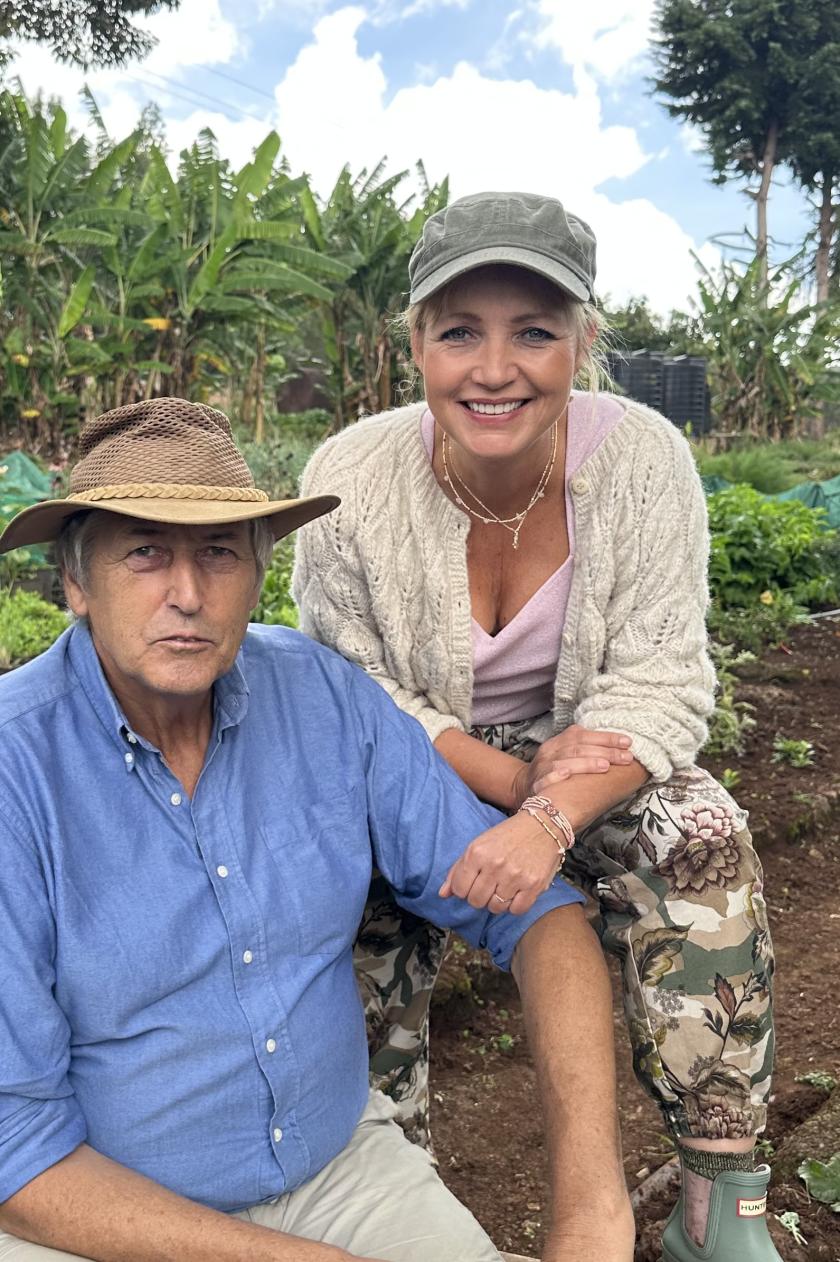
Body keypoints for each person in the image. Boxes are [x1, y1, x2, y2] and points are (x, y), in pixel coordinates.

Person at [0, 397, 633, 1262]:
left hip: (337, 1171)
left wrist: (590, 1214)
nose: (187, 594)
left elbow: (537, 916)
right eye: (144, 552)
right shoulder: (16, 770)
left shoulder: (322, 698)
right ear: (77, 583)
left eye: (219, 552)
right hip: (92, 1212)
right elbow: (16, 1152)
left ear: (259, 573)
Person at [293, 191, 780, 1262]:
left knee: (697, 838)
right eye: (460, 332)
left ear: (583, 342)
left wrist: (551, 814)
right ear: (415, 344)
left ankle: (719, 1198)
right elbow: (349, 688)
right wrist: (508, 786)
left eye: (535, 332)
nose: (495, 368)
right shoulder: (350, 480)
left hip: (589, 755)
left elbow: (662, 679)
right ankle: (381, 1179)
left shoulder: (643, 461)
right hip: (408, 757)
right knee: (336, 887)